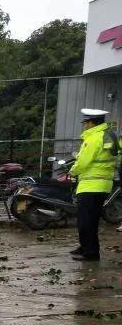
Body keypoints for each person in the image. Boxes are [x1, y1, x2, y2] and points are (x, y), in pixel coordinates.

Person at [69, 108, 119, 261]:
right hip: (103, 184)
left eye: (86, 123)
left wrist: (72, 171)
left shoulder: (93, 138)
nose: (84, 126)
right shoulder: (108, 135)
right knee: (92, 219)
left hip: (91, 185)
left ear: (91, 123)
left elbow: (83, 162)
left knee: (85, 221)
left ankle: (90, 252)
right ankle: (85, 246)